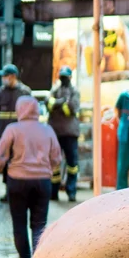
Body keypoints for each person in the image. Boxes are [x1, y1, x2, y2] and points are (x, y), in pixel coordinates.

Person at [0, 96, 61, 258]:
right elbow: (56, 157)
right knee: (39, 224)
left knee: (19, 224)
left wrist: (2, 169)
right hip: (42, 182)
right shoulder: (47, 130)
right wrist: (48, 169)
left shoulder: (12, 129)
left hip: (17, 182)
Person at [0, 64, 33, 202]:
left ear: (12, 77)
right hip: (4, 134)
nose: (3, 79)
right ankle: (9, 191)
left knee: (21, 162)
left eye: (5, 76)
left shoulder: (24, 92)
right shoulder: (0, 91)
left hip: (21, 135)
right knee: (6, 164)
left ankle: (23, 192)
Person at [48, 66, 81, 202]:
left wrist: (57, 104)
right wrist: (61, 103)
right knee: (54, 164)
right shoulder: (55, 89)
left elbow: (71, 108)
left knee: (72, 164)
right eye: (61, 75)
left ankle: (71, 191)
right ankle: (53, 192)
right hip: (55, 133)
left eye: (65, 76)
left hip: (70, 133)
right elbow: (48, 104)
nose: (63, 78)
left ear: (70, 77)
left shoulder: (74, 91)